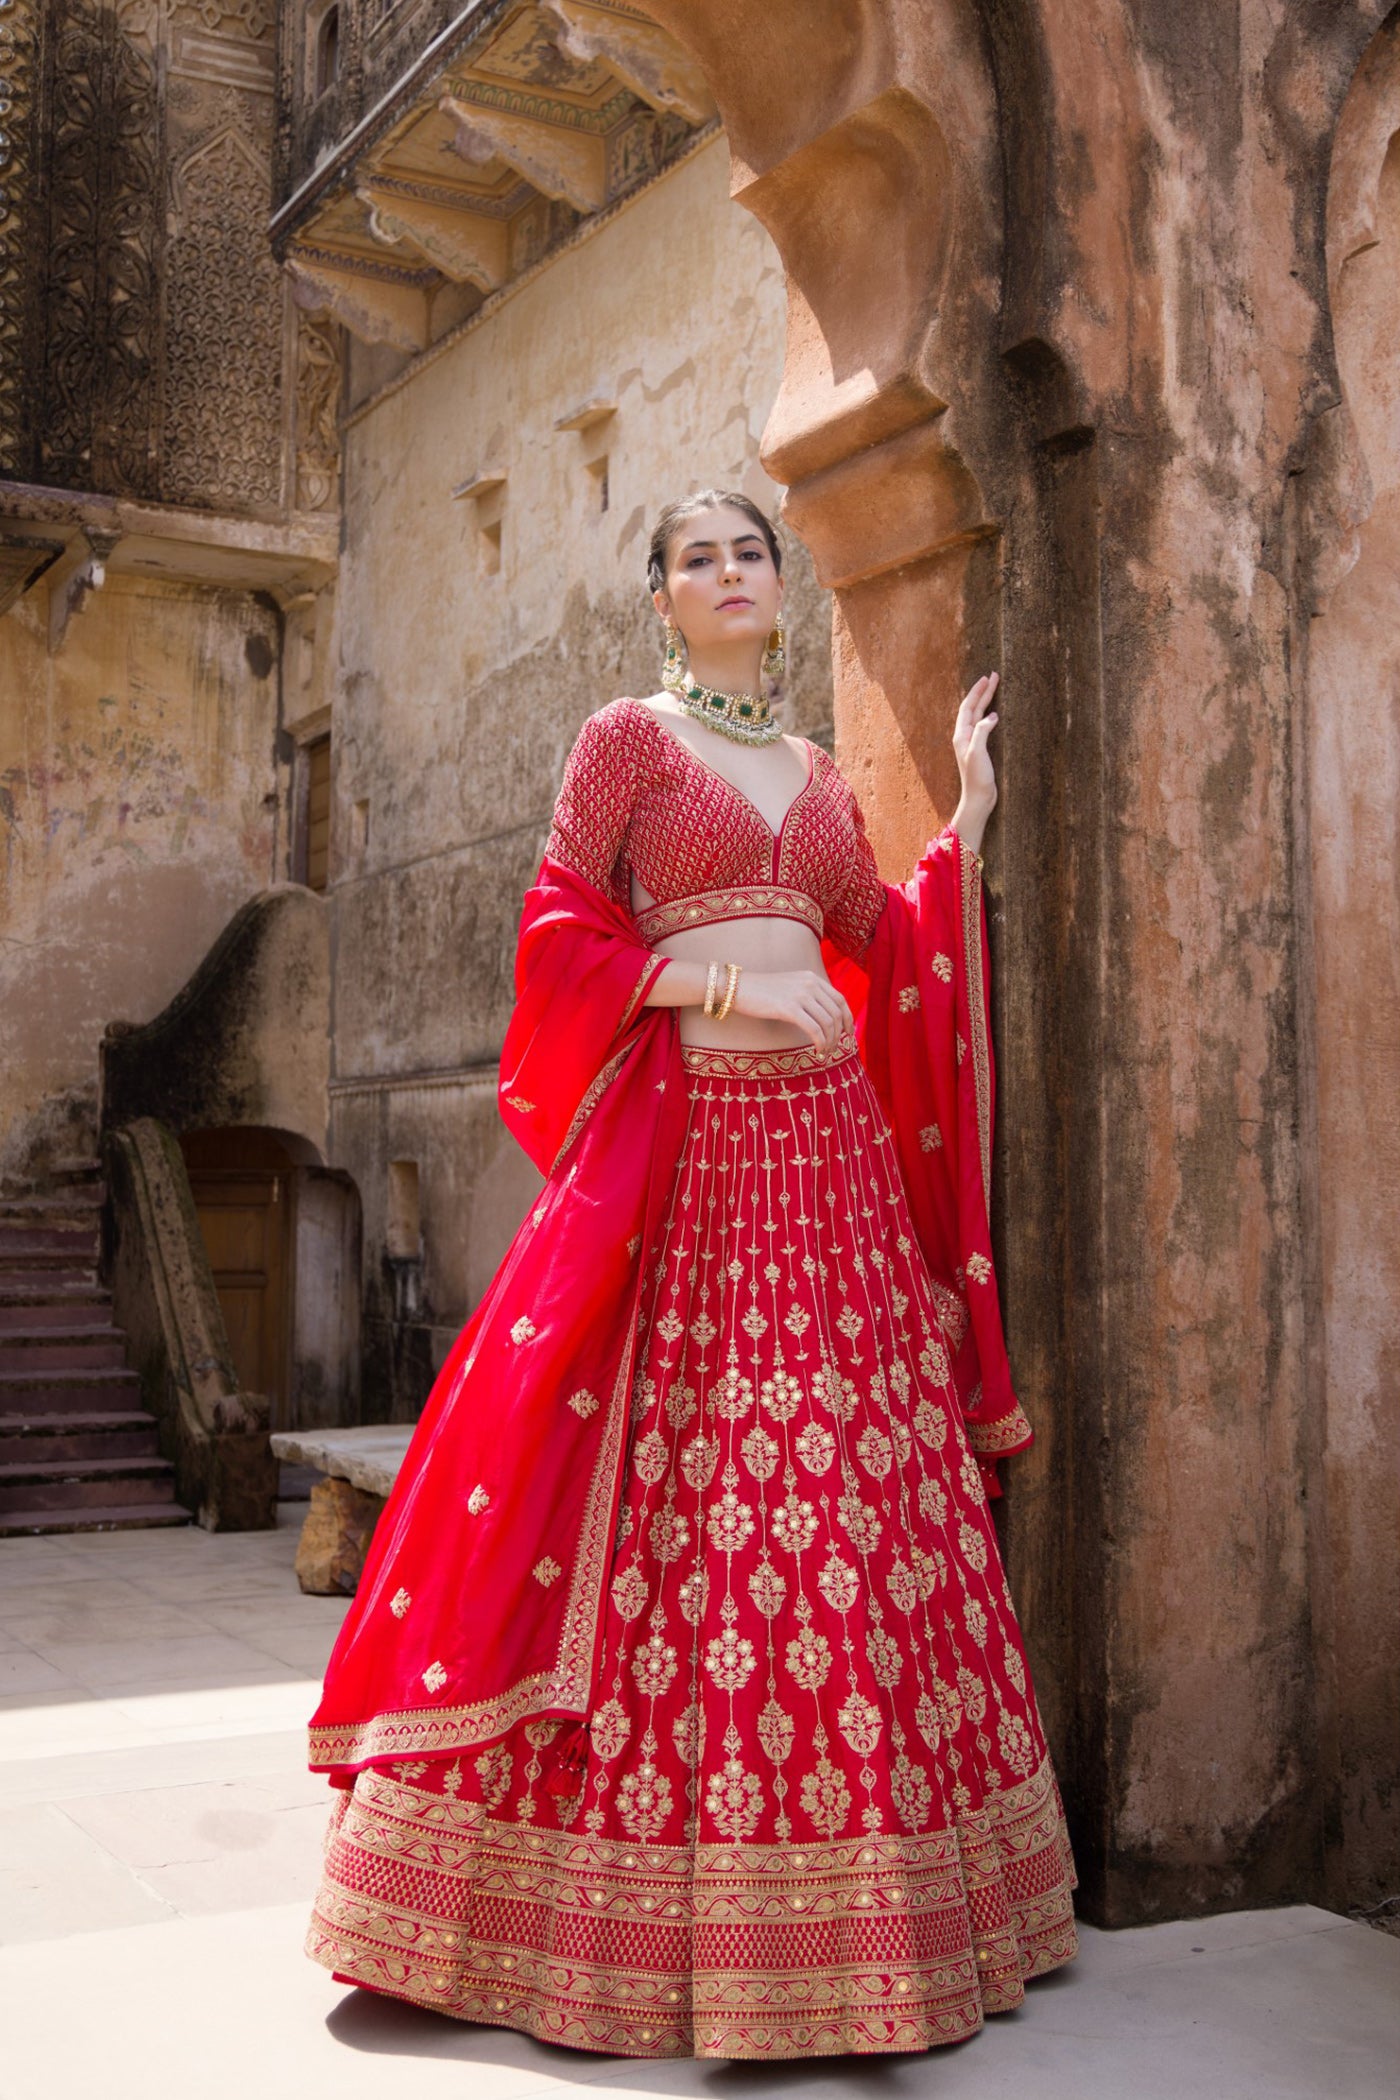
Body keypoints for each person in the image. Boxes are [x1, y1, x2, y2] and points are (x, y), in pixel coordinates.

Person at [303, 490, 1079, 2059]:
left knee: (839, 1494)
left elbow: (881, 946)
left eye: (749, 553)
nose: (728, 574)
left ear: (781, 590)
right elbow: (555, 934)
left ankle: (861, 1917)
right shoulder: (627, 744)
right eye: (696, 559)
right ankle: (610, 1915)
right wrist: (726, 982)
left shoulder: (815, 773)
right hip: (692, 1159)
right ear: (662, 601)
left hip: (832, 1164)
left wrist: (968, 827)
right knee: (688, 1485)